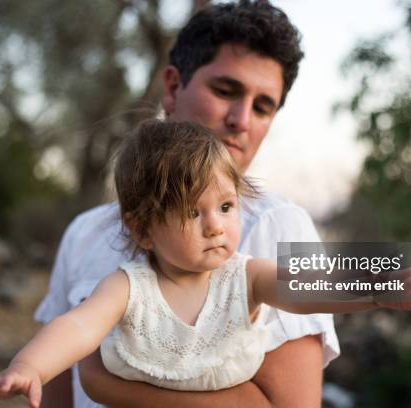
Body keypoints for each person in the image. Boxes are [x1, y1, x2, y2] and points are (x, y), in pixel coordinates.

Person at [0, 120, 411, 408]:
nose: (215, 226)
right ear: (142, 230)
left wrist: (375, 290)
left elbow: (305, 286)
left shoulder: (246, 276)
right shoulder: (127, 286)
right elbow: (77, 328)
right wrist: (30, 366)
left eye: (225, 207)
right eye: (191, 212)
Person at [36, 1, 337, 407]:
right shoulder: (85, 232)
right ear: (174, 87)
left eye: (263, 106)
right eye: (225, 90)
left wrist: (106, 381)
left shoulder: (279, 226)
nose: (242, 120)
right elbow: (56, 389)